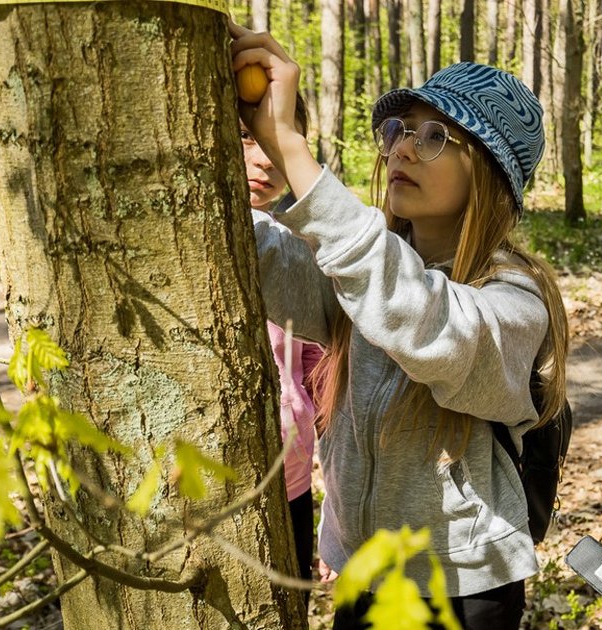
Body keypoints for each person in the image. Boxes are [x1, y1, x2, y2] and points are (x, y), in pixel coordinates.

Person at [229, 23, 569, 630]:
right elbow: (258, 258)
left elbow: (424, 323)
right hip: (364, 575)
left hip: (459, 591)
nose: (401, 150)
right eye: (398, 130)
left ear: (490, 172)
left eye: (435, 136)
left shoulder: (516, 299)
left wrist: (293, 149)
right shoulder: (369, 268)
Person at [241, 97, 323, 594]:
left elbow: (319, 366)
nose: (266, 159)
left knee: (289, 604)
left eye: (277, 141)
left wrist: (334, 497)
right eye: (248, 137)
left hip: (291, 482)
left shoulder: (296, 248)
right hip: (214, 480)